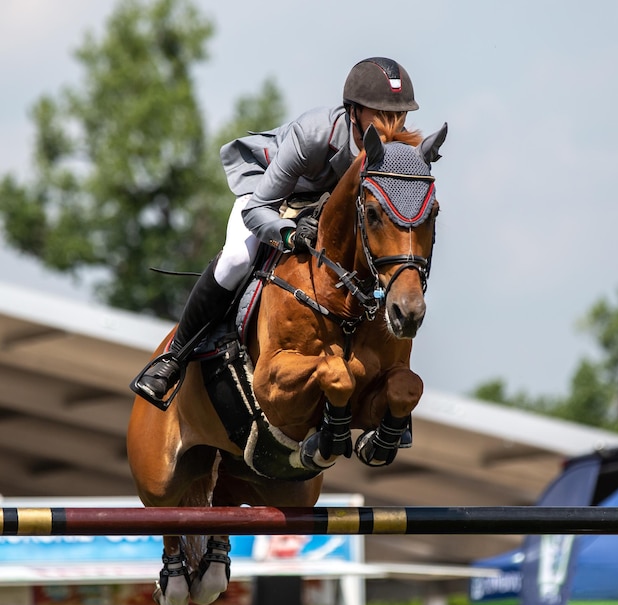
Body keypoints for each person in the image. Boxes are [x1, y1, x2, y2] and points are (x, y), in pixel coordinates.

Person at [131, 57, 420, 407]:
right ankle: (173, 359)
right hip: (268, 195)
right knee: (238, 258)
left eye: (400, 115)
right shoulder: (314, 135)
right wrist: (289, 234)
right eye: (382, 113)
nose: (393, 123)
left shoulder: (391, 156)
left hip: (323, 210)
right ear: (354, 111)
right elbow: (258, 209)